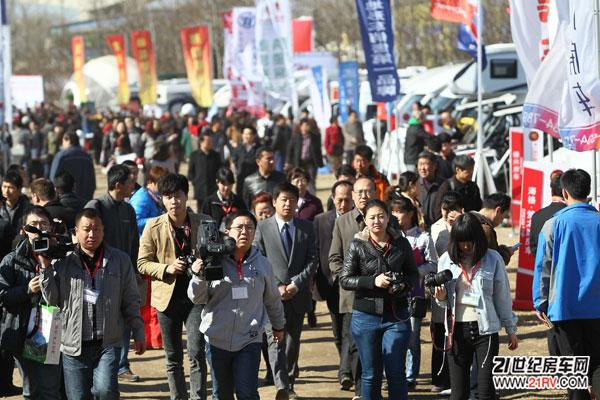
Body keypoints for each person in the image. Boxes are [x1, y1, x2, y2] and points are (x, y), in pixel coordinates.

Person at [40, 208, 146, 400]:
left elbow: (131, 299)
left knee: (105, 391)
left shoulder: (120, 260)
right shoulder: (63, 261)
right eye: (86, 229)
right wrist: (46, 269)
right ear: (76, 232)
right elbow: (52, 301)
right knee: (78, 397)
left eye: (96, 229)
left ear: (103, 231)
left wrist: (138, 331)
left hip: (108, 343)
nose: (91, 234)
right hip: (74, 346)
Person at [188, 210, 286, 400]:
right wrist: (199, 275)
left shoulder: (263, 264)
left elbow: (272, 300)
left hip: (249, 339)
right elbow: (197, 298)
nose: (244, 232)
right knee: (222, 394)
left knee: (247, 393)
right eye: (239, 227)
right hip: (217, 340)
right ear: (226, 232)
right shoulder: (214, 262)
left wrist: (278, 326)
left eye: (250, 228)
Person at [138, 173, 209, 400]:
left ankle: (198, 397)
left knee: (197, 352)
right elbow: (142, 263)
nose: (174, 202)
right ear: (161, 199)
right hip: (166, 298)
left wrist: (202, 264)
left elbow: (217, 257)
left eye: (178, 196)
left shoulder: (204, 222)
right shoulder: (153, 226)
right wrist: (167, 268)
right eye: (168, 197)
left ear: (186, 196)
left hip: (197, 297)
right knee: (173, 356)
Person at [340, 199, 418, 400]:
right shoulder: (357, 244)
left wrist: (402, 285)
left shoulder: (401, 243)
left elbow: (413, 275)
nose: (377, 221)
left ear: (388, 217)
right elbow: (345, 279)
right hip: (365, 316)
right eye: (372, 217)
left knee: (396, 373)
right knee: (371, 374)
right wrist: (372, 281)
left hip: (396, 314)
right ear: (365, 220)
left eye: (381, 216)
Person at [434, 212, 518, 400]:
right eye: (461, 241)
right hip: (456, 331)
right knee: (458, 392)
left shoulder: (493, 258)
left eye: (470, 241)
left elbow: (502, 297)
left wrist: (510, 329)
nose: (466, 246)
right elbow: (442, 301)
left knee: (486, 390)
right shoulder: (446, 260)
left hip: (486, 331)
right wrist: (441, 297)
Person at [533, 169, 600, 400]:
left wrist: (540, 301)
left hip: (564, 306)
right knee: (599, 363)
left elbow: (543, 266)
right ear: (588, 190)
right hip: (597, 307)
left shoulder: (553, 225)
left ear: (564, 192)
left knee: (574, 367)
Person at [254, 182, 318, 399]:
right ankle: (282, 385)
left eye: (292, 200)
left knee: (292, 341)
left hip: (298, 295)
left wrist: (296, 284)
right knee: (275, 341)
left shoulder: (306, 228)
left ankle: (289, 380)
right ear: (274, 202)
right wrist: (276, 285)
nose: (288, 204)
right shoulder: (262, 228)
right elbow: (258, 259)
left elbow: (312, 260)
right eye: (284, 199)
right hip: (272, 296)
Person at [85, 164, 142, 383]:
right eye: (130, 182)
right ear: (117, 185)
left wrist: (135, 268)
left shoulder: (128, 209)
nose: (133, 186)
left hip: (124, 274)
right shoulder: (96, 206)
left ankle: (121, 365)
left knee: (127, 318)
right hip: (98, 276)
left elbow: (134, 242)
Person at [0, 206, 61, 399]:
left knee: (50, 389)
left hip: (52, 330)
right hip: (22, 332)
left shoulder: (62, 258)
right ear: (23, 230)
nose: (39, 228)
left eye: (43, 223)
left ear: (51, 227)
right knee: (30, 389)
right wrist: (27, 290)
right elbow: (3, 296)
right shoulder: (11, 260)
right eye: (33, 224)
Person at [329, 177, 376, 400]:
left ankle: (372, 387)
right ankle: (360, 392)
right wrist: (348, 279)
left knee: (377, 345)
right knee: (356, 345)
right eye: (360, 192)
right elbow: (334, 258)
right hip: (351, 296)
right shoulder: (342, 222)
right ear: (353, 195)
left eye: (368, 192)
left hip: (381, 294)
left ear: (375, 193)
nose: (364, 196)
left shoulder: (384, 220)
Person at [389, 196, 437, 391]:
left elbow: (433, 264)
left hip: (415, 294)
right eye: (392, 212)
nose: (395, 216)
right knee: (392, 334)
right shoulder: (389, 237)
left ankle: (410, 376)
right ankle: (393, 372)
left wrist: (413, 272)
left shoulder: (423, 238)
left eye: (398, 211)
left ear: (409, 214)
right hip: (391, 294)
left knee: (412, 336)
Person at [314, 180, 354, 389]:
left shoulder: (359, 220)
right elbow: (316, 249)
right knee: (338, 331)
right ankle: (345, 363)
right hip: (330, 285)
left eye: (348, 199)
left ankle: (346, 371)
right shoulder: (321, 220)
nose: (343, 203)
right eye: (339, 199)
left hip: (353, 286)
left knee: (349, 330)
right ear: (332, 199)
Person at [129, 166, 168, 351]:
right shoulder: (142, 198)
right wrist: (160, 219)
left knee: (153, 299)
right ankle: (149, 337)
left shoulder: (154, 198)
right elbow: (135, 220)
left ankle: (155, 338)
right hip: (144, 254)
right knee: (146, 300)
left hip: (156, 253)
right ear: (151, 183)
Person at [429, 191, 464, 394]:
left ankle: (458, 380)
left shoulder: (468, 224)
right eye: (445, 208)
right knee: (440, 331)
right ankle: (440, 378)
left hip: (461, 286)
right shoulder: (435, 229)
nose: (447, 213)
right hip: (441, 287)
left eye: (452, 209)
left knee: (459, 333)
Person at [49, 130, 96, 202]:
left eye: (63, 141)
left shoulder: (61, 156)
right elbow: (92, 178)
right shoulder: (86, 156)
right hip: (85, 198)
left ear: (68, 140)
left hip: (65, 200)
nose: (62, 144)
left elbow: (53, 177)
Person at [529, 170, 565, 255]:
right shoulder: (571, 215)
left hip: (543, 266)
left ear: (551, 191)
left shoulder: (536, 216)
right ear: (566, 191)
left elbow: (534, 249)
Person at [188, 131, 223, 212]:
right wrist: (195, 181)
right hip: (200, 188)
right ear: (201, 142)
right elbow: (191, 172)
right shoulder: (194, 155)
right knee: (201, 210)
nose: (211, 143)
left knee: (214, 209)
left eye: (211, 141)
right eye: (208, 141)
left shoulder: (216, 155)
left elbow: (220, 171)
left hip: (213, 188)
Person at [475, 193, 513, 265]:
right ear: (498, 211)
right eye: (503, 216)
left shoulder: (466, 218)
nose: (501, 221)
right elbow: (493, 262)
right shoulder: (486, 229)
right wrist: (507, 253)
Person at [286, 118, 324, 190]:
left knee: (311, 180)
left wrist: (320, 162)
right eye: (305, 125)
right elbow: (290, 149)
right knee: (298, 179)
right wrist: (288, 161)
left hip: (311, 162)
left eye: (308, 125)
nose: (307, 127)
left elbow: (318, 150)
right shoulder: (296, 136)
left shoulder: (315, 136)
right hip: (299, 162)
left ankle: (312, 196)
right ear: (301, 126)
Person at [416, 152, 443, 230]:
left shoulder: (443, 185)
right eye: (420, 164)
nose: (422, 168)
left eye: (425, 164)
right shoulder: (415, 185)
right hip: (419, 229)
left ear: (434, 166)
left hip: (439, 229)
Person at [233, 126, 260, 196]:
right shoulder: (238, 147)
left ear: (254, 135)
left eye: (249, 134)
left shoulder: (259, 148)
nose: (246, 136)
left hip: (254, 181)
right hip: (241, 180)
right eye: (244, 134)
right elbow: (235, 161)